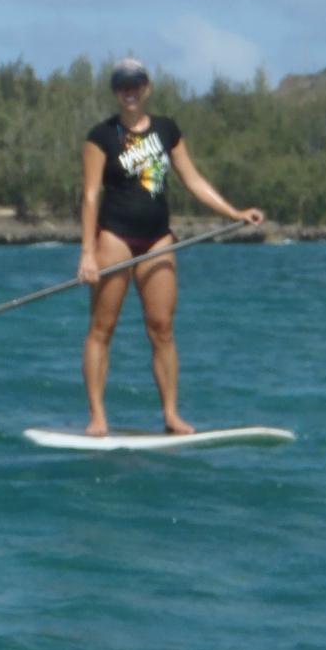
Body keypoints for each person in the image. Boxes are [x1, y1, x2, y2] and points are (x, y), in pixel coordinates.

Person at [76, 56, 264, 437]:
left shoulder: (166, 130)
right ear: (115, 92)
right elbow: (91, 195)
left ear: (147, 88)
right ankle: (97, 416)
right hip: (114, 237)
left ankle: (171, 414)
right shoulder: (101, 137)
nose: (129, 92)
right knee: (102, 328)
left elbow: (193, 180)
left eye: (136, 84)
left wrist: (234, 212)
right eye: (122, 86)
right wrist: (87, 252)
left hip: (158, 238)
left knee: (162, 328)